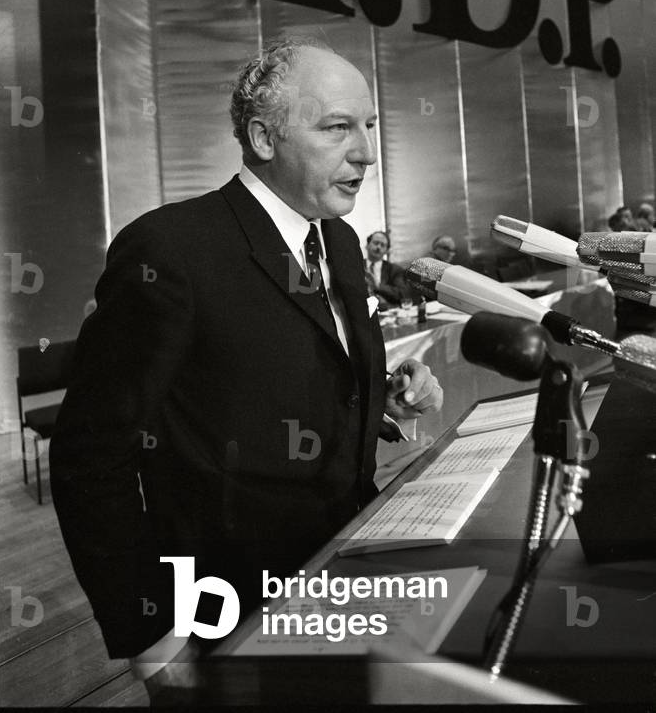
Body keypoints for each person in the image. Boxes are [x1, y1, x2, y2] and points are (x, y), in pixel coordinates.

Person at [49, 37, 443, 700]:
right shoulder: (171, 249)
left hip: (343, 577)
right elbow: (90, 455)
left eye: (369, 126)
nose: (367, 152)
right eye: (338, 127)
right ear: (264, 136)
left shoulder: (339, 241)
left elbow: (279, 379)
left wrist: (384, 401)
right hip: (224, 611)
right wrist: (153, 638)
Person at [363, 230, 410, 309]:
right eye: (375, 243)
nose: (378, 247)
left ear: (387, 251)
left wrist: (377, 286)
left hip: (387, 312)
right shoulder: (356, 266)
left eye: (382, 245)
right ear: (367, 245)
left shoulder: (395, 270)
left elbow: (402, 294)